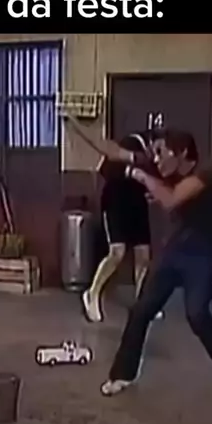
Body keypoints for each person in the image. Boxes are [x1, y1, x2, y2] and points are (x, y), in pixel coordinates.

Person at [99, 128, 212, 412]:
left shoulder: (209, 170)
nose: (156, 159)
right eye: (154, 152)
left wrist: (138, 175)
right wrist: (72, 123)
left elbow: (171, 199)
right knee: (141, 309)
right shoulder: (163, 165)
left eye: (161, 152)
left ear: (181, 153)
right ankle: (123, 374)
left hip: (204, 254)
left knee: (197, 315)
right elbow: (114, 151)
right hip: (175, 250)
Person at [82, 131, 163, 323]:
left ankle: (142, 302)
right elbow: (106, 169)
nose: (159, 155)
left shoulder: (157, 161)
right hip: (116, 202)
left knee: (143, 255)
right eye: (158, 149)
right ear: (151, 142)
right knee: (117, 253)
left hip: (137, 204)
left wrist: (151, 192)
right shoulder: (132, 143)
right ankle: (92, 294)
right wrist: (130, 172)